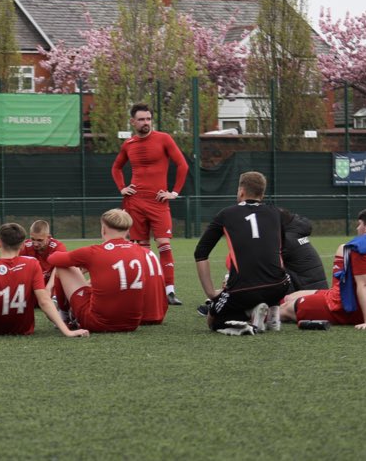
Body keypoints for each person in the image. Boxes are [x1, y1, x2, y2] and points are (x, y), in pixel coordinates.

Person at [0, 223, 89, 341]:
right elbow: (44, 301)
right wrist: (67, 332)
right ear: (22, 245)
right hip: (24, 329)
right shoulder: (33, 263)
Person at [111, 103, 189, 305]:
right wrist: (122, 188)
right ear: (132, 122)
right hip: (135, 202)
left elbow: (182, 165)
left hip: (158, 201)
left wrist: (174, 192)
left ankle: (170, 291)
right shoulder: (128, 144)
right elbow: (116, 167)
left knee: (164, 244)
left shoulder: (164, 138)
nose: (145, 122)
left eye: (148, 119)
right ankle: (146, 291)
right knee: (141, 248)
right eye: (141, 119)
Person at [194, 171, 289, 335]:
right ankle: (272, 311)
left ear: (241, 191)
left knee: (213, 321)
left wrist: (210, 293)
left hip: (243, 290)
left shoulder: (226, 214)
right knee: (278, 278)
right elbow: (281, 250)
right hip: (279, 287)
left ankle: (249, 315)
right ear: (262, 194)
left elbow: (201, 252)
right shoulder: (276, 213)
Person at [46, 209, 148, 333]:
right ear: (127, 230)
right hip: (132, 323)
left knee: (62, 266)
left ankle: (64, 317)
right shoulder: (140, 250)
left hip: (97, 323)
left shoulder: (94, 252)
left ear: (103, 229)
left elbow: (53, 258)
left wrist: (80, 263)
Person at [21, 220, 68, 312]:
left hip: (51, 285)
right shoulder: (25, 246)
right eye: (32, 239)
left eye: (40, 240)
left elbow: (59, 268)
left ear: (48, 237)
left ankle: (56, 299)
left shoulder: (57, 247)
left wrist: (48, 288)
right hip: (35, 286)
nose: (35, 243)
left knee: (64, 265)